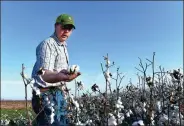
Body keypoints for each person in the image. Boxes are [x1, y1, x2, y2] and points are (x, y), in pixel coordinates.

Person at [31, 14, 81, 126]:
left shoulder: (63, 46)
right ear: (55, 26)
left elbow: (56, 71)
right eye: (64, 27)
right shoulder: (48, 44)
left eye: (70, 28)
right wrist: (62, 76)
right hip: (46, 94)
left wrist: (64, 76)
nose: (66, 31)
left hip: (58, 93)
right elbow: (43, 74)